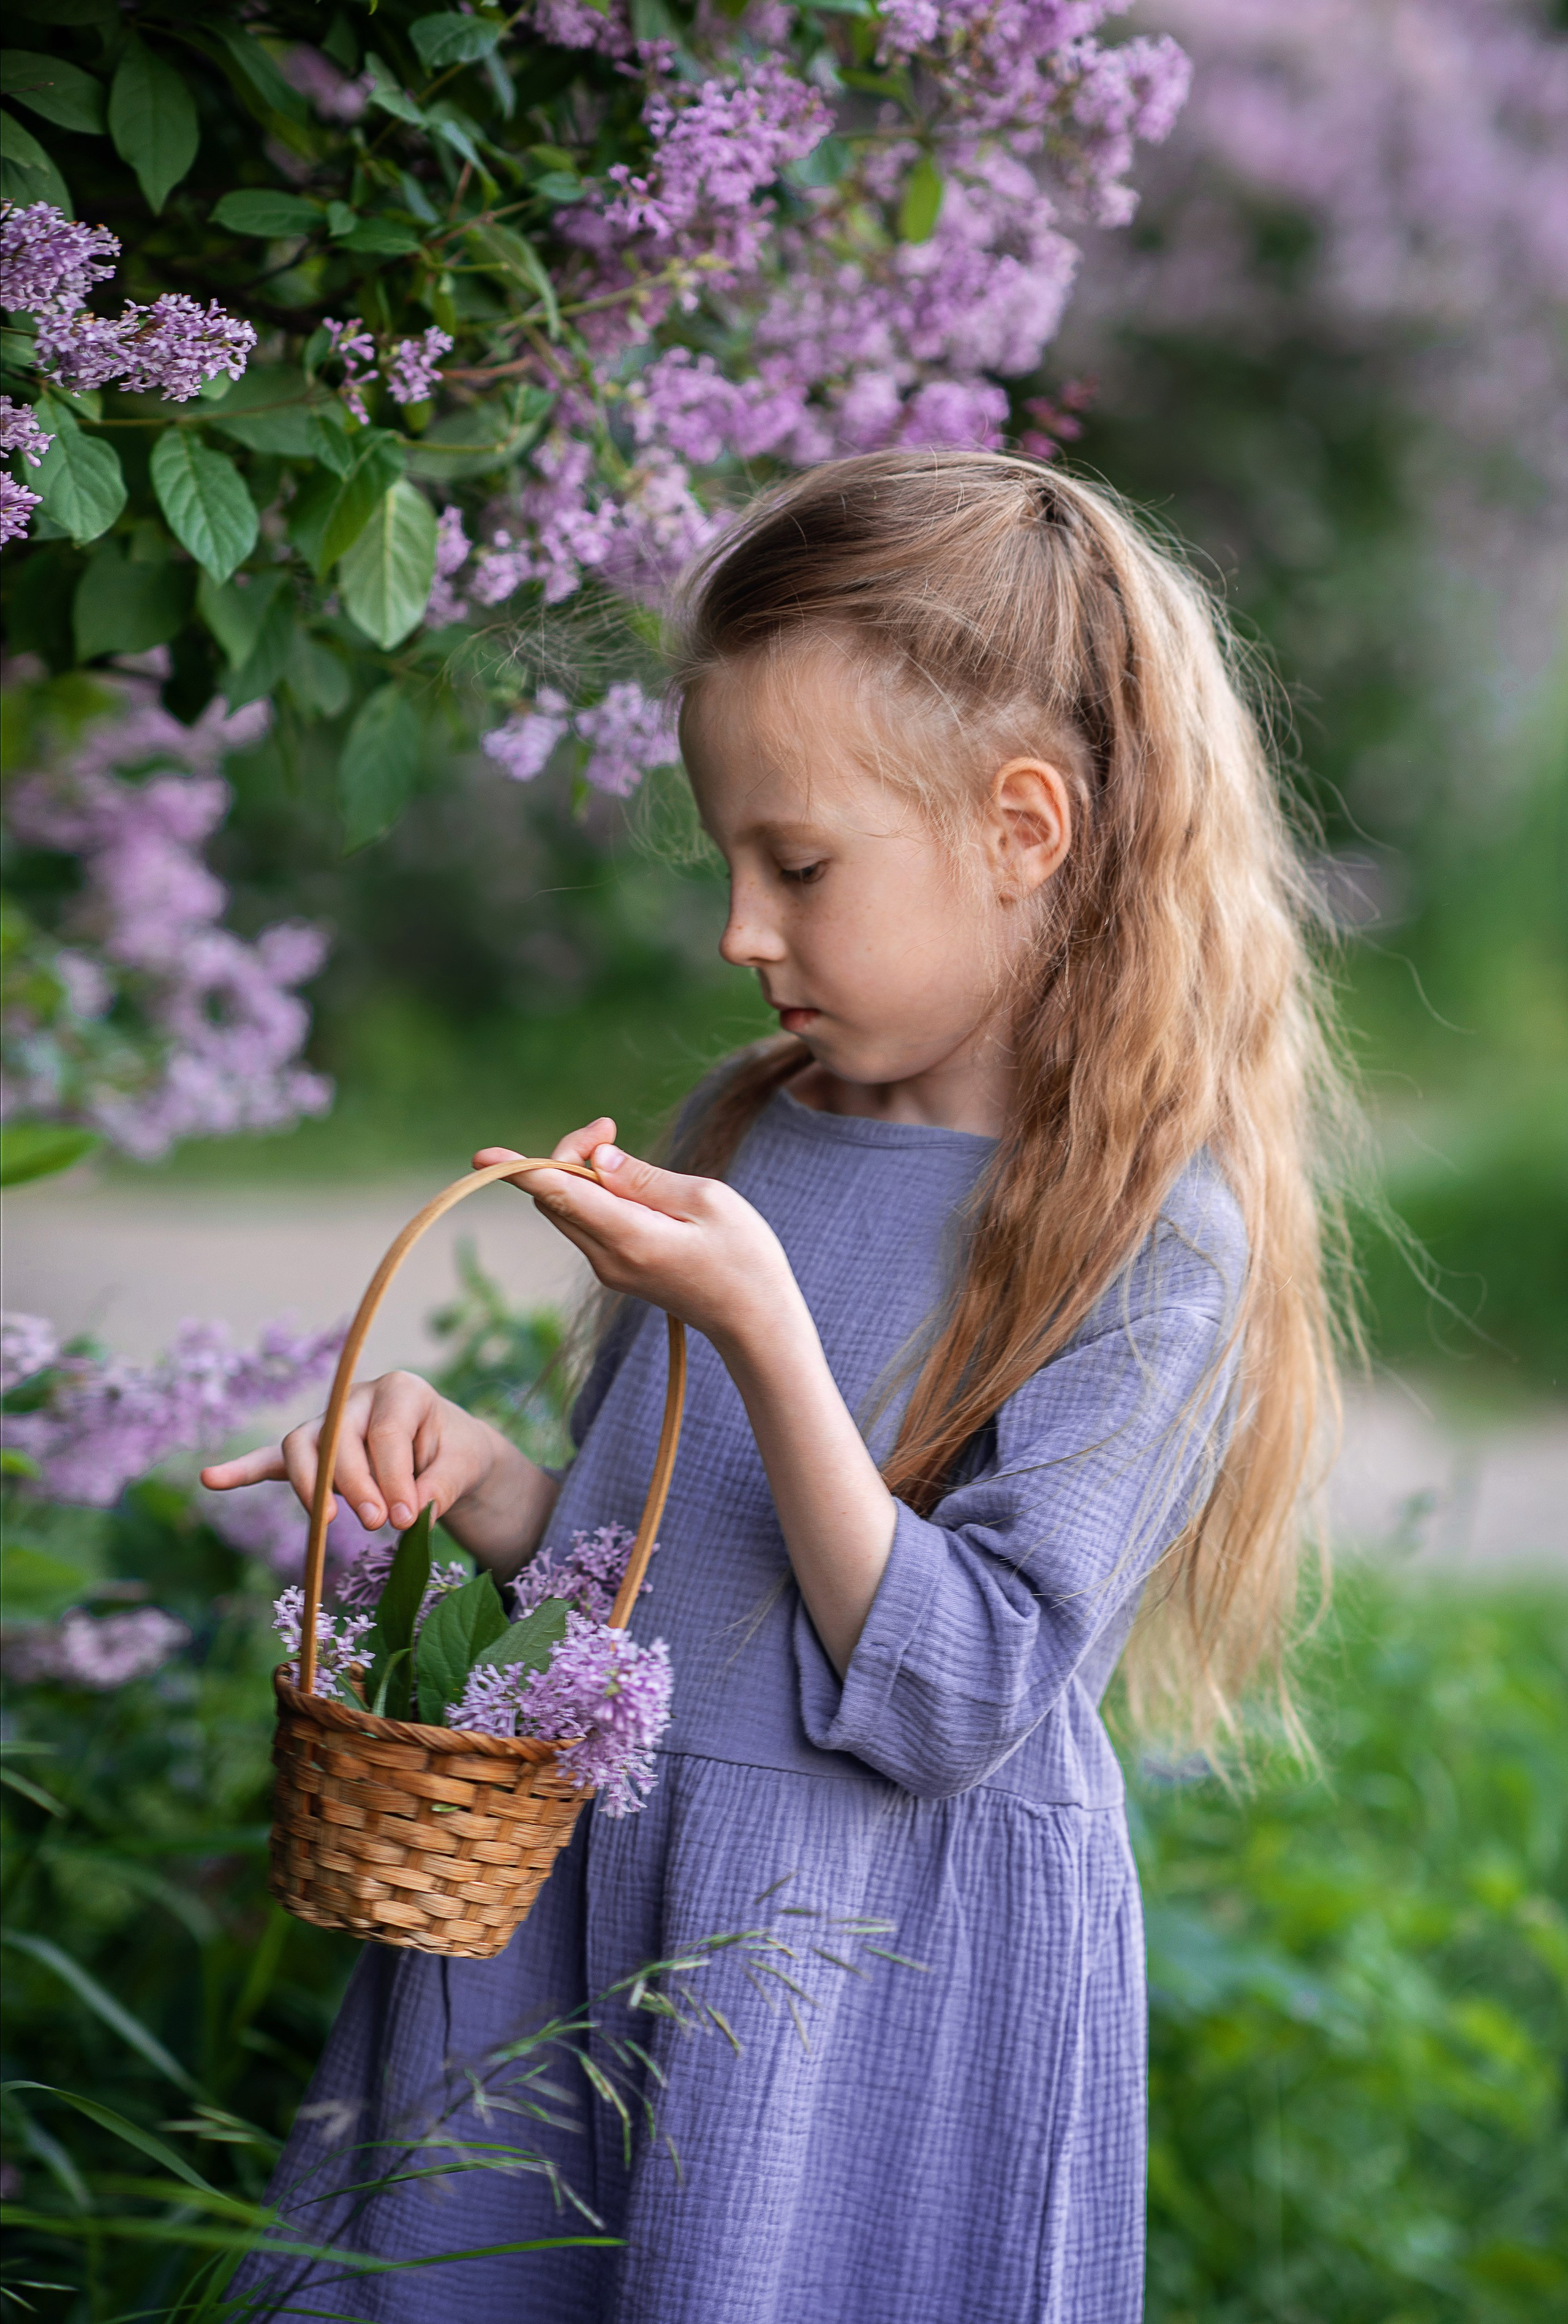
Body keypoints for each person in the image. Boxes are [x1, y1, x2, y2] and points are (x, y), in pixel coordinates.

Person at [205, 451, 1352, 2323]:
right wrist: (490, 1484)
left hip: (846, 1972)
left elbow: (959, 1688)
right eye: (729, 859)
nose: (742, 929)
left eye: (799, 864)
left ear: (1024, 826)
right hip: (592, 1902)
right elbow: (665, 1587)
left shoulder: (1147, 1234)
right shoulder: (747, 1128)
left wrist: (765, 1325)